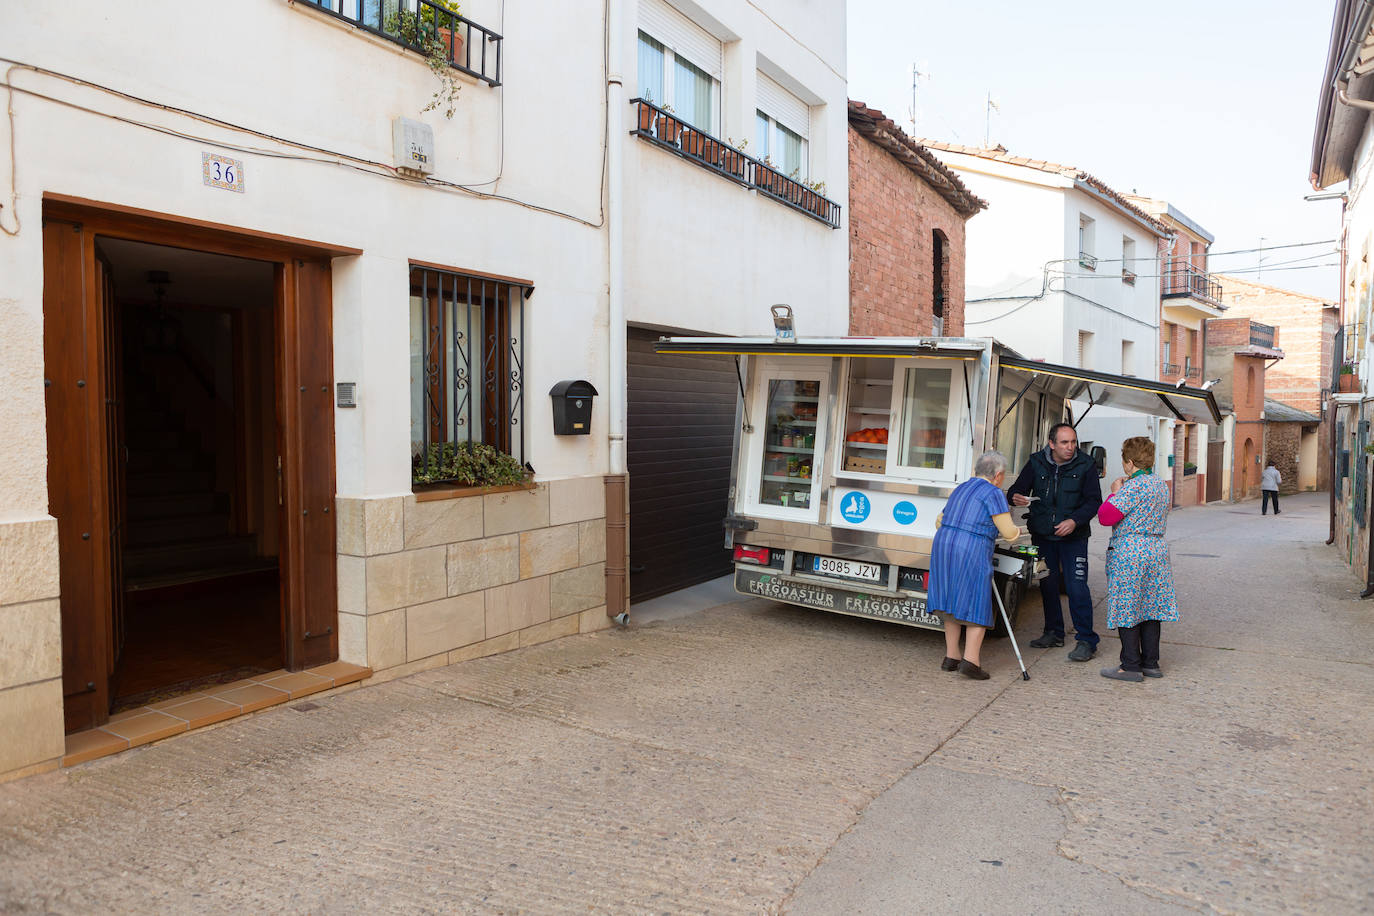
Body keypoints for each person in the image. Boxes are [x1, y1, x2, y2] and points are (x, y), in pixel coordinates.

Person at [1007, 423, 1104, 661]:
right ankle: (1053, 632)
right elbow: (1016, 490)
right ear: (1052, 444)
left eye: (1073, 442)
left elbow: (1094, 502)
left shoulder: (1086, 465)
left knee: (1076, 587)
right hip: (1042, 536)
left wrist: (1074, 521)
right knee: (1047, 585)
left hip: (1074, 538)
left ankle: (1086, 640)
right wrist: (1015, 497)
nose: (1070, 447)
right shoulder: (1036, 462)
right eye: (1064, 443)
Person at [929, 450, 1023, 680]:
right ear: (999, 475)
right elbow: (1009, 533)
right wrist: (1020, 530)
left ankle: (951, 657)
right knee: (976, 600)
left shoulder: (962, 487)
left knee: (950, 598)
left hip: (943, 545)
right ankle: (971, 661)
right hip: (970, 549)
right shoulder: (994, 493)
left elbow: (939, 520)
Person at [1097, 436, 1178, 682]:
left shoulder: (1132, 486)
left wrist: (1113, 493)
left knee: (1128, 606)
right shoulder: (1160, 485)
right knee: (1150, 607)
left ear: (1129, 462)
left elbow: (1106, 517)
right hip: (1156, 550)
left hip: (1131, 551)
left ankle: (1130, 665)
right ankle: (1151, 663)